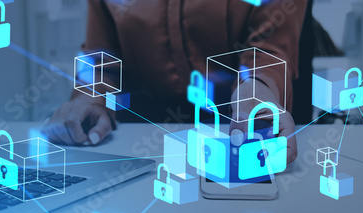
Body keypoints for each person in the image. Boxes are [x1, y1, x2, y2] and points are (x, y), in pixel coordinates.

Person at [43, 0, 308, 164]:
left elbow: (265, 55)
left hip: (233, 125)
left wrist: (256, 93)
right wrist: (91, 96)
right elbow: (102, 59)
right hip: (145, 135)